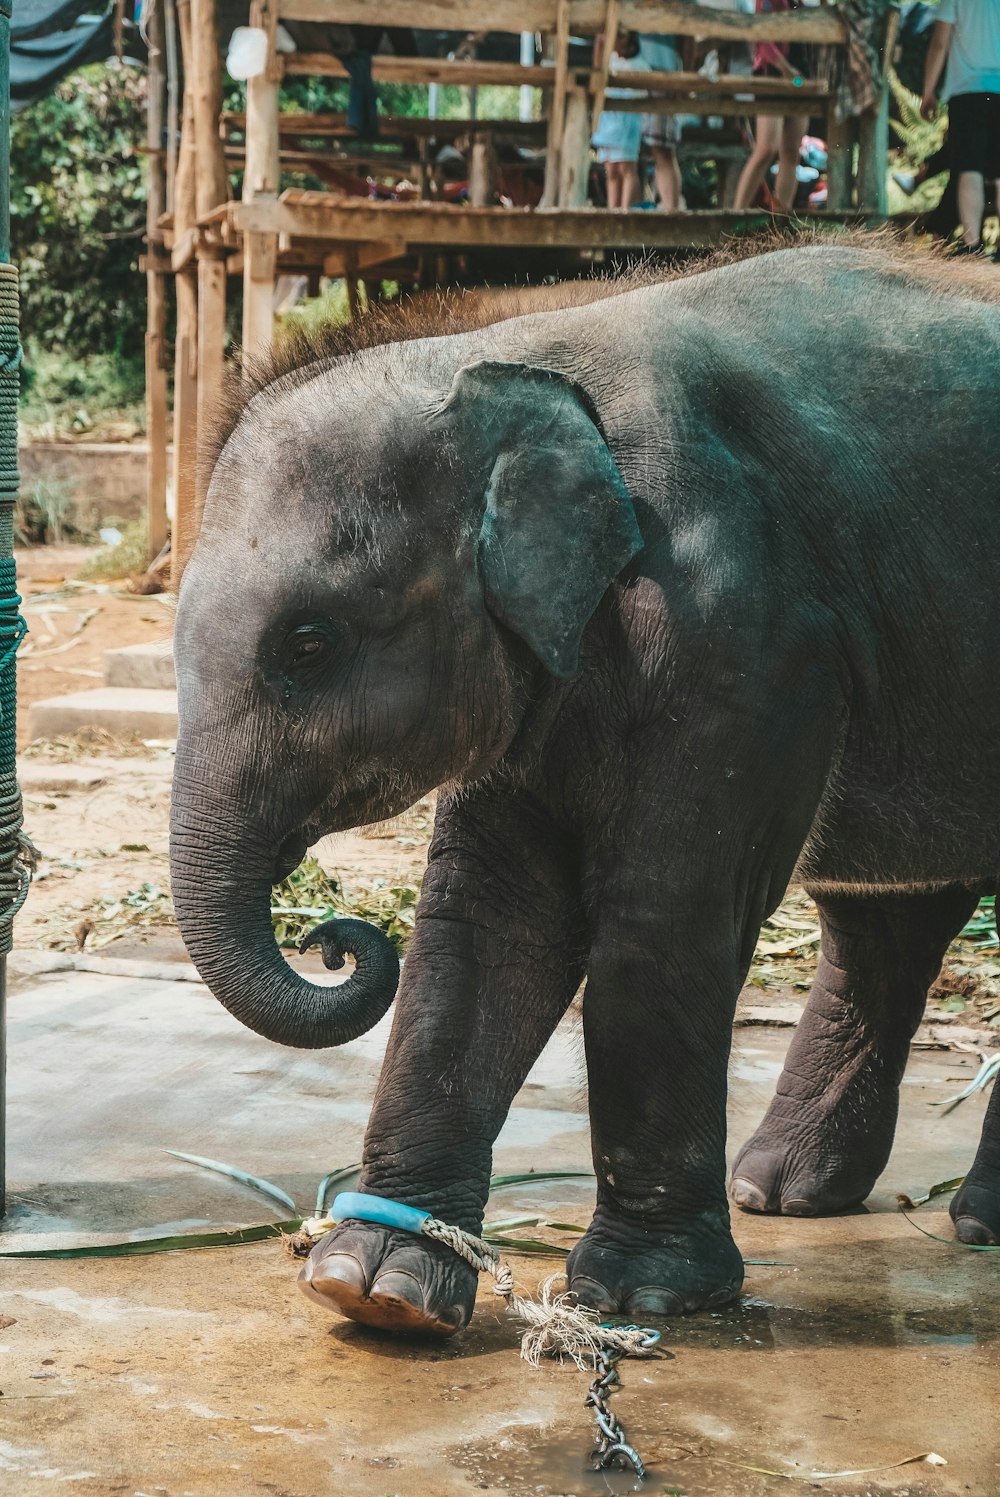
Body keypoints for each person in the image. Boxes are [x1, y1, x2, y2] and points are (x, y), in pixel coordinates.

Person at [921, 0, 1000, 256]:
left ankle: (972, 244)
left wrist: (928, 91)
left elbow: (940, 42)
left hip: (969, 91)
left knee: (969, 169)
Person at [733, 0, 812, 212]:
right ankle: (735, 214)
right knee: (766, 149)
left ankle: (782, 216)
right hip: (772, 74)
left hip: (799, 74)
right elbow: (763, 39)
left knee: (791, 153)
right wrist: (786, 70)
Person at [591, 30, 645, 209]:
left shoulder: (639, 65)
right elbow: (597, 72)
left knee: (627, 169)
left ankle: (625, 212)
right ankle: (612, 211)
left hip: (628, 123)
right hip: (609, 122)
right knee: (611, 170)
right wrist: (599, 45)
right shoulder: (611, 61)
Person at [637, 32, 685, 211]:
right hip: (643, 72)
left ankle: (672, 211)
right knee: (660, 152)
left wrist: (682, 79)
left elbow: (688, 38)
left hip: (664, 72)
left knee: (663, 151)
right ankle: (670, 208)